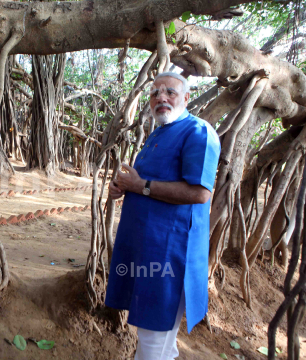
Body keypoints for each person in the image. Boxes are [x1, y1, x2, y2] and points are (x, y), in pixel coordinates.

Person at [105, 72, 221, 360]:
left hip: (169, 256)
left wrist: (140, 186)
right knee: (159, 342)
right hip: (147, 251)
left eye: (170, 92)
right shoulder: (158, 133)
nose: (161, 98)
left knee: (152, 337)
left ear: (186, 97)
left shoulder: (198, 132)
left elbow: (200, 193)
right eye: (155, 93)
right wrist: (124, 187)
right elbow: (145, 183)